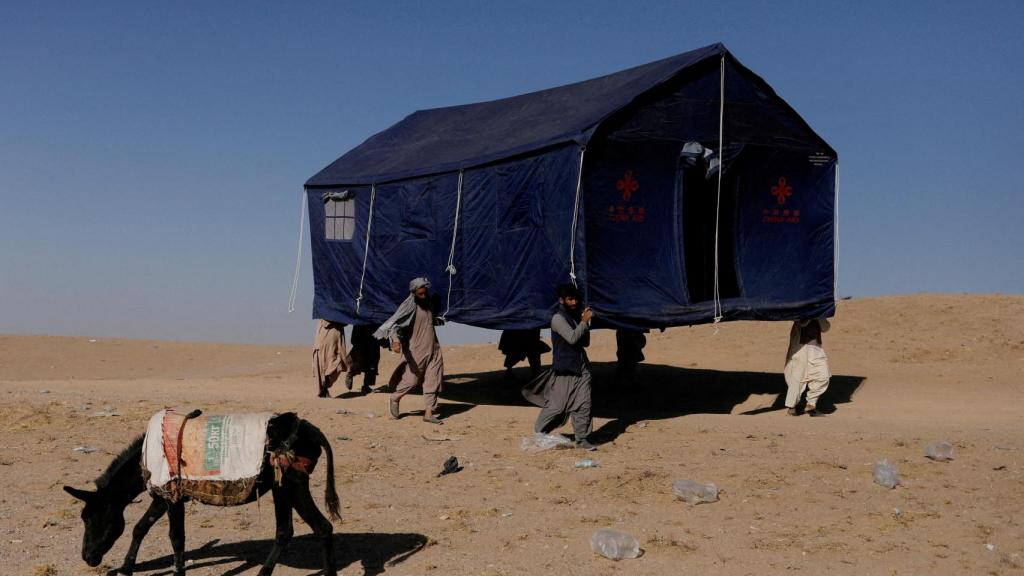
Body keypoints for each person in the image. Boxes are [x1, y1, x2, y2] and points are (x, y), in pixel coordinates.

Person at [525, 284, 597, 450]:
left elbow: (584, 342)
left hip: (582, 368)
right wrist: (584, 322)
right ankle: (539, 432)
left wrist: (584, 323)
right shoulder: (558, 319)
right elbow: (572, 338)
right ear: (562, 300)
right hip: (565, 369)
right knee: (557, 406)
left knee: (584, 404)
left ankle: (582, 440)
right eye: (570, 299)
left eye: (575, 299)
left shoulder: (574, 317)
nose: (574, 302)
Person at [373, 277, 446, 424]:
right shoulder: (409, 307)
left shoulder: (430, 304)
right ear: (413, 294)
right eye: (420, 294)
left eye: (425, 293)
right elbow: (395, 324)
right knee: (412, 381)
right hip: (416, 350)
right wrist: (395, 341)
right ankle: (395, 397)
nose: (423, 296)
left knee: (434, 379)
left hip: (434, 348)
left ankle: (429, 413)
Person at [784, 318, 832, 416]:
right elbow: (802, 323)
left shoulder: (819, 311)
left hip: (816, 348)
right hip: (800, 348)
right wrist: (812, 312)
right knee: (797, 377)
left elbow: (825, 328)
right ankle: (792, 406)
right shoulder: (802, 306)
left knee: (823, 375)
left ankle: (811, 405)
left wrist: (821, 314)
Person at [312, 319, 350, 398]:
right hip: (326, 340)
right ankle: (324, 389)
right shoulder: (324, 317)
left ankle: (324, 388)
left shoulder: (336, 315)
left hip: (334, 341)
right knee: (326, 365)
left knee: (335, 364)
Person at [345, 324, 382, 393]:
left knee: (371, 364)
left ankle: (365, 385)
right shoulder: (363, 315)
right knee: (362, 361)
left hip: (370, 338)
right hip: (365, 338)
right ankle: (351, 374)